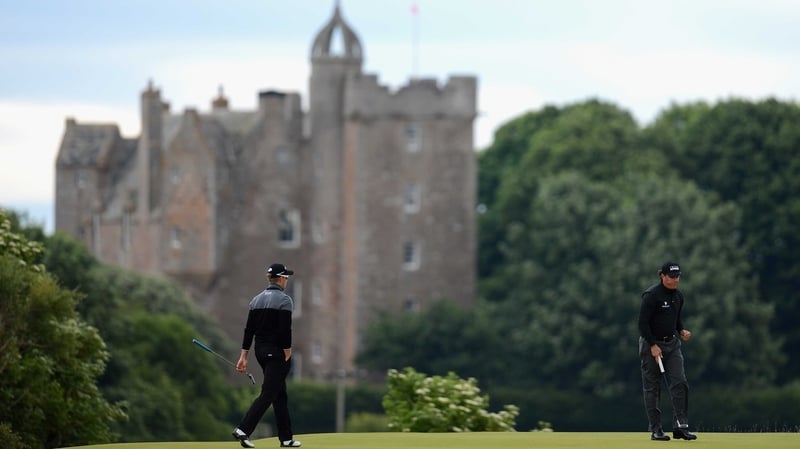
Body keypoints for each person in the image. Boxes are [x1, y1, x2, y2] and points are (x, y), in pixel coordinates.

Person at [232, 263, 302, 448]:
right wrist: (287, 351)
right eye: (286, 277)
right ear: (280, 279)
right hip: (276, 352)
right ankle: (243, 429)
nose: (287, 280)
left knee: (280, 394)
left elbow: (249, 331)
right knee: (269, 393)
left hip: (259, 351)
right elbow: (284, 330)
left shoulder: (256, 300)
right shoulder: (285, 300)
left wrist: (243, 356)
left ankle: (286, 439)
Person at [638, 261, 698, 441]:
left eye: (678, 276)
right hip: (651, 344)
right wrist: (652, 346)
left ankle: (681, 426)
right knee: (652, 388)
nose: (675, 279)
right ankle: (656, 430)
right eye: (672, 276)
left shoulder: (678, 296)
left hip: (672, 345)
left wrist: (681, 331)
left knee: (680, 383)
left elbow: (675, 320)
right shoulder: (651, 295)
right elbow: (642, 324)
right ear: (662, 276)